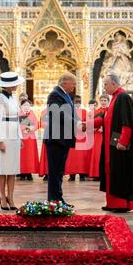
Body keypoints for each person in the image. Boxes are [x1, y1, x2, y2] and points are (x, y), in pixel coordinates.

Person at [92, 73, 133, 213]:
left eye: (106, 85)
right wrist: (88, 124)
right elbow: (105, 118)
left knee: (119, 173)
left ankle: (120, 203)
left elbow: (127, 123)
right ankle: (112, 203)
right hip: (111, 144)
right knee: (111, 172)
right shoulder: (115, 98)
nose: (104, 88)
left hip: (119, 145)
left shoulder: (123, 97)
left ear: (114, 84)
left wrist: (123, 142)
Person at [44, 72, 78, 205]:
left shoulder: (65, 95)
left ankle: (58, 198)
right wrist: (78, 123)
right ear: (65, 82)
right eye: (72, 83)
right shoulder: (55, 95)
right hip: (56, 139)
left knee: (59, 171)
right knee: (54, 172)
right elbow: (59, 114)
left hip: (63, 139)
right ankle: (53, 199)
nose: (74, 86)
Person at [0, 72, 25, 210]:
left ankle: (11, 197)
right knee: (3, 169)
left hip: (14, 135)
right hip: (4, 136)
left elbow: (17, 118)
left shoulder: (14, 98)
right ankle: (2, 196)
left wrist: (20, 137)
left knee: (12, 169)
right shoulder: (0, 98)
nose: (17, 85)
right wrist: (0, 140)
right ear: (8, 85)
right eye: (15, 84)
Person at [65, 95, 90, 182]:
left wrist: (83, 124)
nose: (77, 105)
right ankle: (72, 175)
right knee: (72, 157)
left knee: (82, 157)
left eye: (79, 103)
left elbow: (88, 122)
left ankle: (82, 174)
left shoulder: (84, 112)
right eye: (75, 103)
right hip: (72, 136)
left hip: (81, 137)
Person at [88, 95, 109, 180]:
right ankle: (97, 174)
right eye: (102, 100)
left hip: (107, 135)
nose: (103, 102)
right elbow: (91, 125)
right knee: (97, 154)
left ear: (108, 101)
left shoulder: (111, 110)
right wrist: (96, 127)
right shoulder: (96, 112)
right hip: (97, 136)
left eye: (105, 100)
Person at [19, 99, 39, 181]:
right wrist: (24, 128)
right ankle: (22, 173)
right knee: (22, 156)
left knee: (30, 156)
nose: (26, 107)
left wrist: (32, 128)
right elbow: (16, 125)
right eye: (25, 105)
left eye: (28, 105)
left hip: (31, 138)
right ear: (21, 106)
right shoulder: (19, 114)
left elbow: (37, 124)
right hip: (22, 137)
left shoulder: (32, 114)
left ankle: (29, 173)